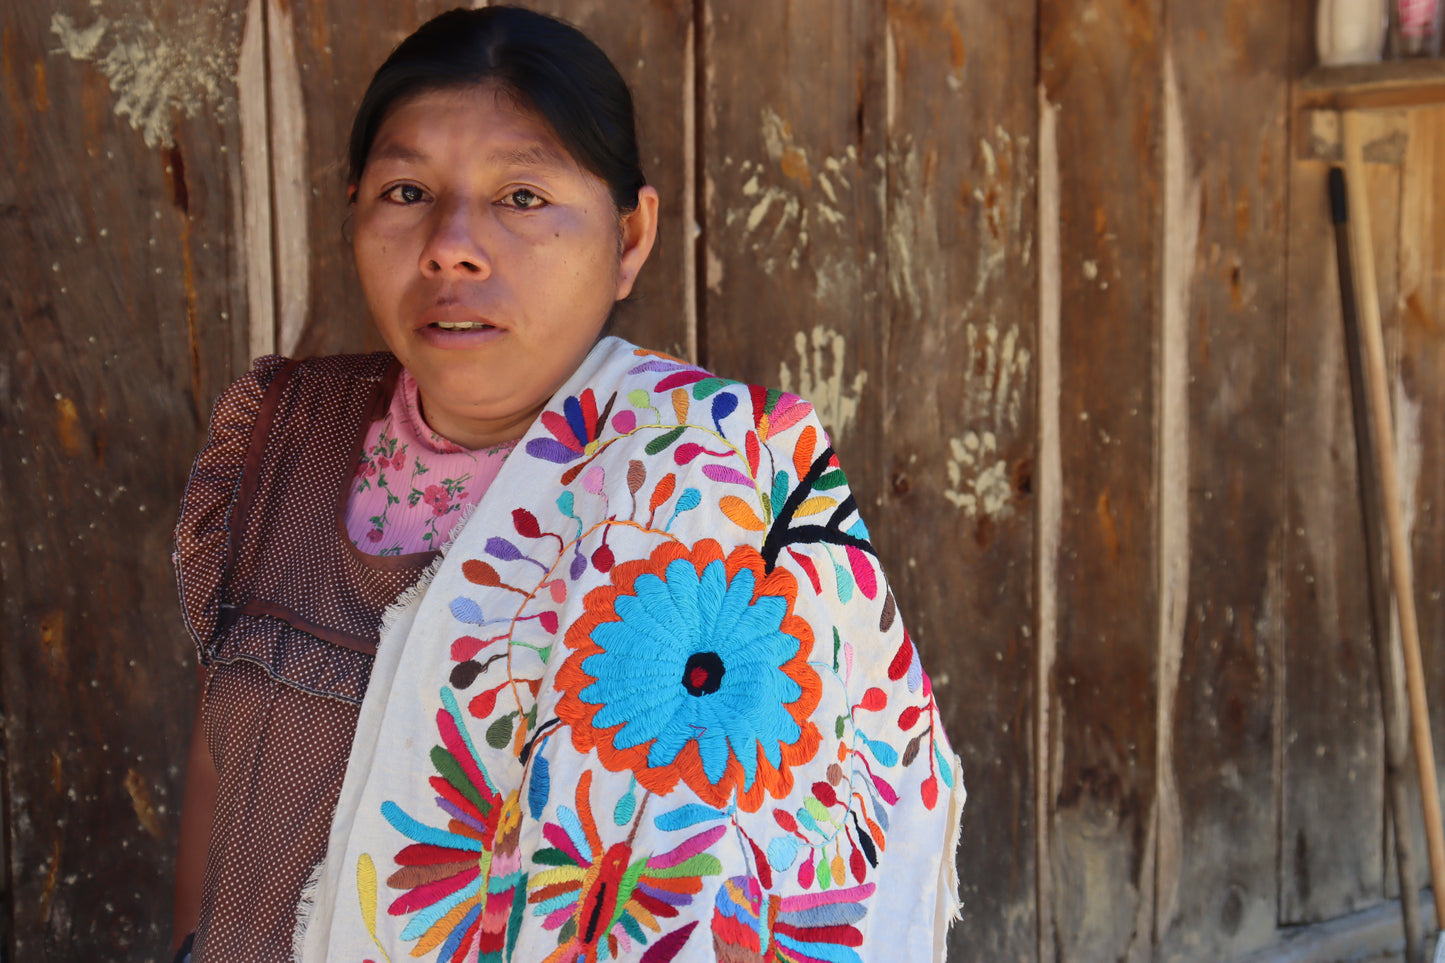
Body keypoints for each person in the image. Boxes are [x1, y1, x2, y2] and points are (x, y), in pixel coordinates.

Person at [172, 7, 963, 962]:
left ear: (629, 237)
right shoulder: (284, 433)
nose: (452, 244)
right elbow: (224, 761)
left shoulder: (711, 479)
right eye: (407, 188)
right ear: (354, 209)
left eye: (522, 196)